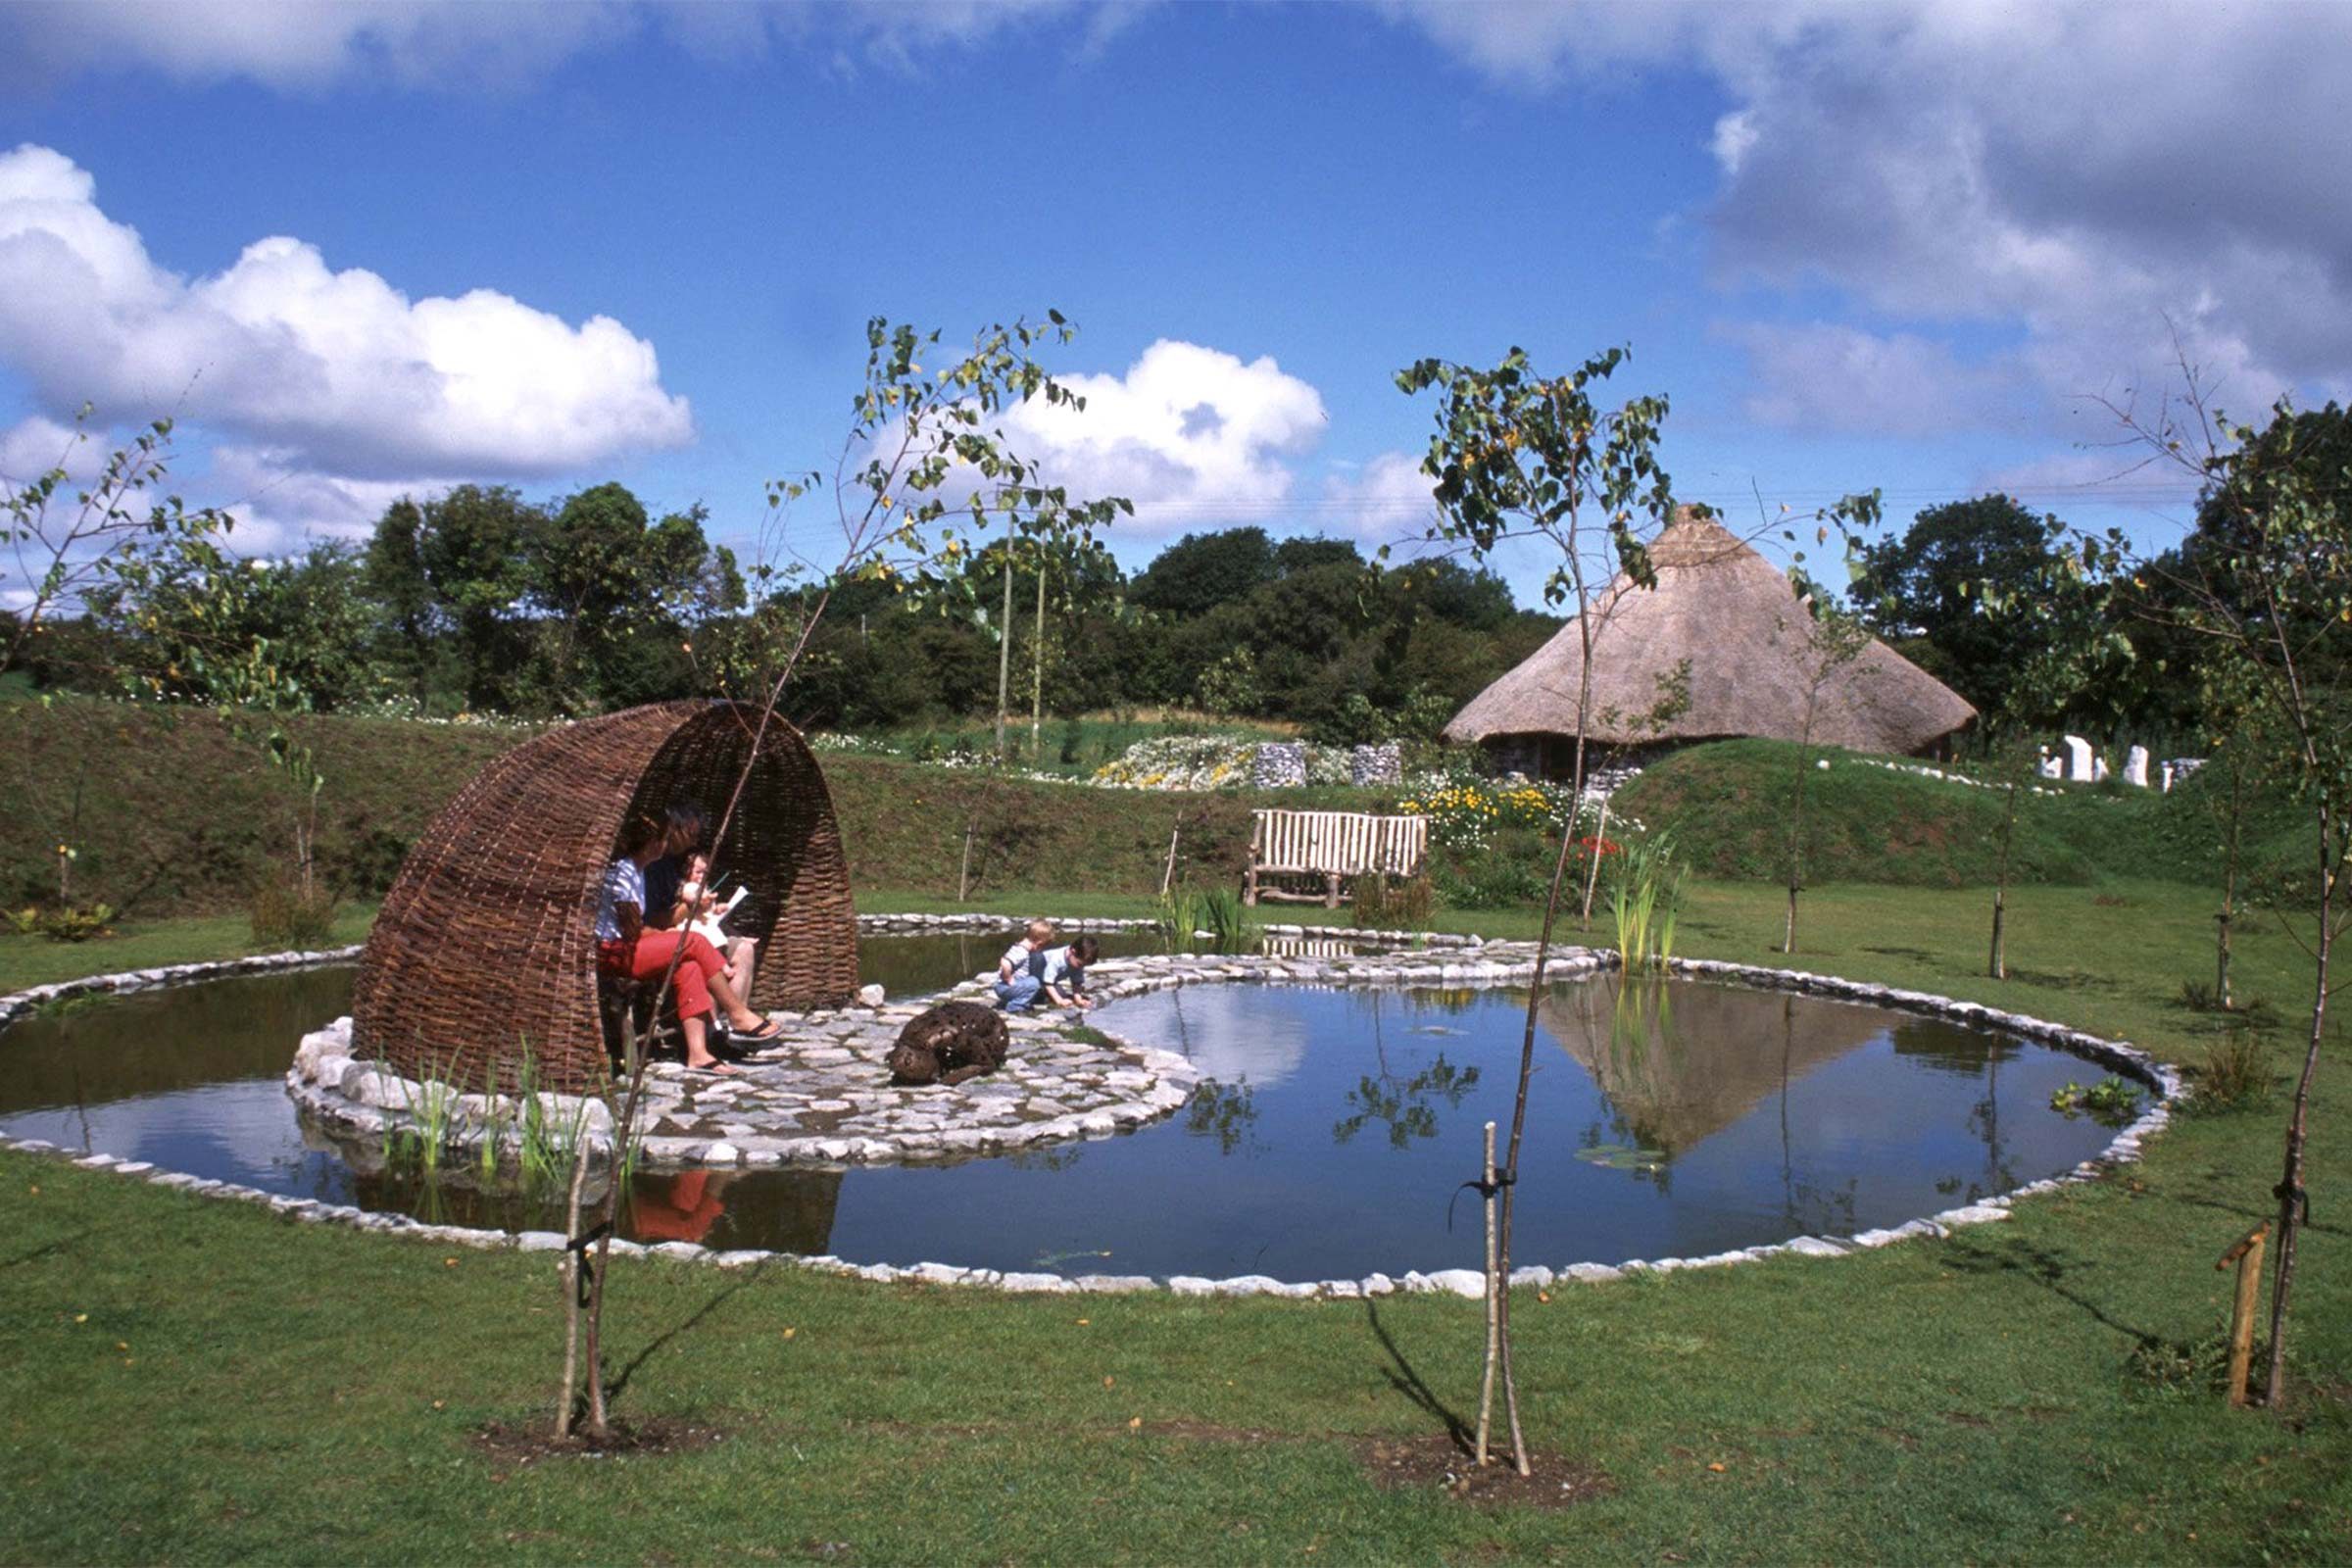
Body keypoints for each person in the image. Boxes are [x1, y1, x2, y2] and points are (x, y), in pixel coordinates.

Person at [596, 808, 782, 1072]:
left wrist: (663, 938)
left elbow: (639, 930)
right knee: (691, 941)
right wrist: (666, 937)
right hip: (615, 953)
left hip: (628, 947)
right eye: (664, 839)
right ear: (653, 844)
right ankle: (738, 1014)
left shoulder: (636, 870)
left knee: (689, 966)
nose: (666, 844)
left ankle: (698, 1053)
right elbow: (632, 932)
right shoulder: (624, 873)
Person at [644, 805, 758, 1004]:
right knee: (708, 960)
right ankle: (715, 1028)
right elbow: (655, 921)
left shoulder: (674, 863)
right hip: (675, 938)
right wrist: (692, 907)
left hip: (701, 932)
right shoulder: (652, 868)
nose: (694, 841)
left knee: (744, 950)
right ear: (675, 830)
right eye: (691, 834)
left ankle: (735, 1023)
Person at [1034, 935, 1101, 1011]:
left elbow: (1076, 983)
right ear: (1072, 952)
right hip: (1037, 974)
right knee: (1044, 995)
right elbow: (1048, 983)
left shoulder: (1076, 962)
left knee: (1062, 994)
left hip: (1050, 980)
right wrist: (1059, 1001)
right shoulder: (1057, 959)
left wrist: (1078, 1000)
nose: (1081, 968)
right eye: (1080, 964)